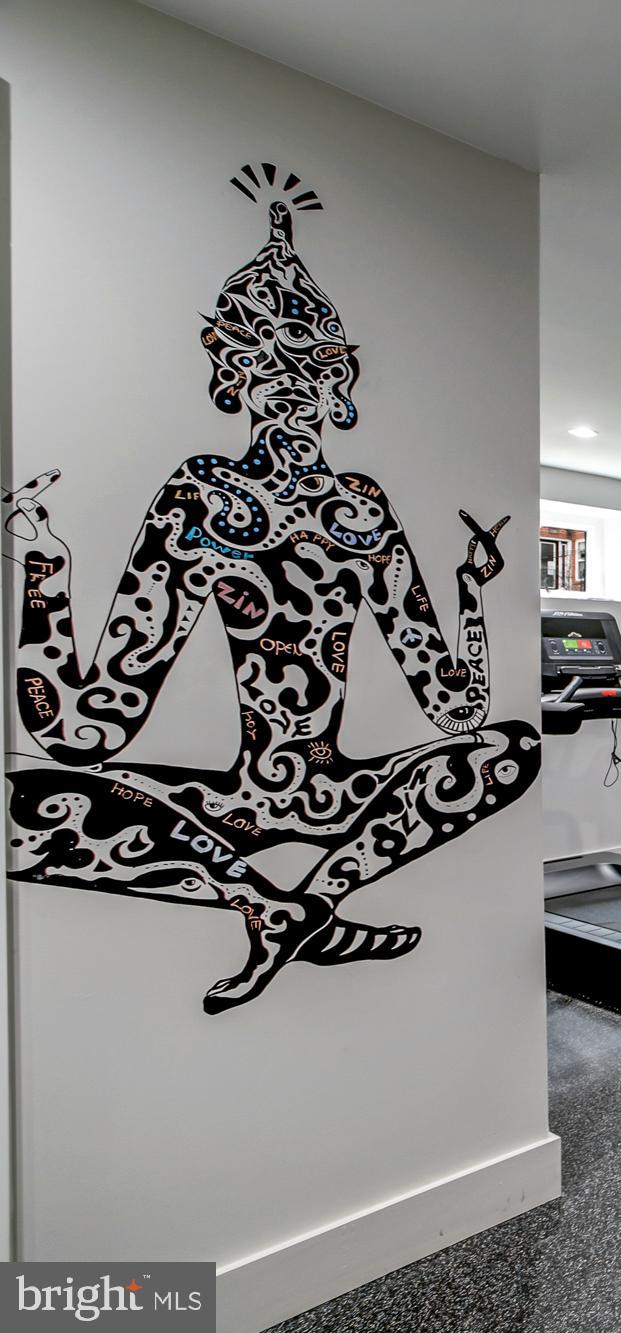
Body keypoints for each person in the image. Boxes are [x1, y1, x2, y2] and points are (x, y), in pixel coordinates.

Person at [3, 182, 538, 1014]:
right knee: (13, 803)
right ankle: (287, 911)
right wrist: (44, 568)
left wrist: (471, 591)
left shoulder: (363, 511)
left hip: (340, 795)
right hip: (229, 804)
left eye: (310, 353)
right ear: (232, 366)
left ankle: (286, 908)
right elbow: (85, 730)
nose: (289, 374)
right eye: (266, 352)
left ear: (340, 374)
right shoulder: (203, 498)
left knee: (511, 748)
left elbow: (458, 711)